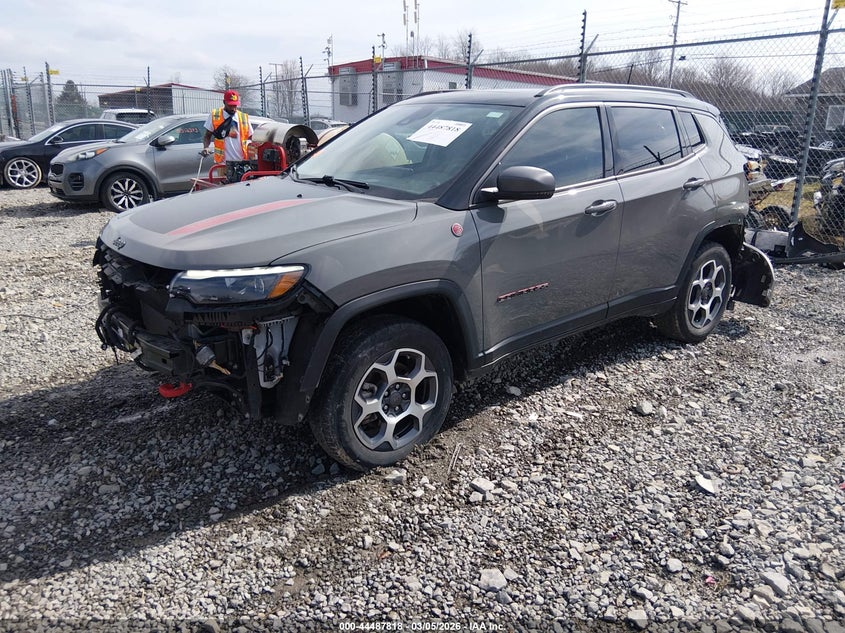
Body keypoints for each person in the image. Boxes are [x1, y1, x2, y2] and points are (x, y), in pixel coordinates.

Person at [201, 89, 254, 183]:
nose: (233, 108)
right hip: (223, 164)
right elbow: (207, 136)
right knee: (224, 191)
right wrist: (206, 147)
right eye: (230, 105)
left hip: (241, 163)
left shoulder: (243, 117)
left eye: (235, 105)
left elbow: (251, 137)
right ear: (224, 102)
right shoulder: (215, 116)